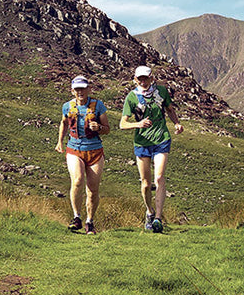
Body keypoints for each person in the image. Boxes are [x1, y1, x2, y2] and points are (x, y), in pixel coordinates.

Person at [118, 65, 182, 233]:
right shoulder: (131, 98)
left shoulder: (161, 91)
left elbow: (169, 109)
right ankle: (149, 211)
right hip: (142, 143)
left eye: (146, 78)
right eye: (140, 79)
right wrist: (138, 124)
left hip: (162, 139)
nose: (143, 81)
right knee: (146, 184)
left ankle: (158, 219)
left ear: (152, 78)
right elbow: (122, 124)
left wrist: (176, 123)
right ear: (135, 80)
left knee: (159, 177)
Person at [59, 75, 109, 235]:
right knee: (78, 180)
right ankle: (76, 217)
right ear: (72, 90)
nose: (80, 91)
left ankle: (90, 222)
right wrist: (60, 141)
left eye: (83, 88)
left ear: (89, 89)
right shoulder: (67, 106)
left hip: (95, 150)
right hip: (74, 148)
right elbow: (64, 123)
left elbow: (107, 128)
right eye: (77, 89)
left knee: (93, 189)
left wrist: (99, 127)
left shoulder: (98, 106)